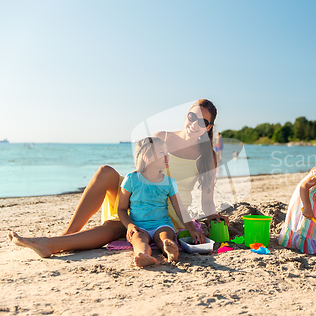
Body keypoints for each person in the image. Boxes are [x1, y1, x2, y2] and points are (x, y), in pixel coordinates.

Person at [8, 99, 227, 258]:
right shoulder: (162, 137)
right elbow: (140, 171)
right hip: (143, 195)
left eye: (202, 122)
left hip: (168, 210)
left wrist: (213, 216)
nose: (194, 123)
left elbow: (207, 199)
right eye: (192, 116)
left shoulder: (208, 156)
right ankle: (67, 235)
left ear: (208, 127)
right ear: (186, 114)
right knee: (105, 172)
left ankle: (53, 245)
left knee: (115, 227)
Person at [118, 137, 203, 267]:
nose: (167, 155)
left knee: (165, 237)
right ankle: (144, 256)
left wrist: (191, 229)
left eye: (167, 152)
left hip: (162, 224)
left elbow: (179, 208)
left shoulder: (169, 182)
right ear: (147, 157)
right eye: (162, 152)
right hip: (139, 226)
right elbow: (121, 209)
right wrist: (129, 225)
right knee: (138, 240)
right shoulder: (131, 179)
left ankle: (170, 251)